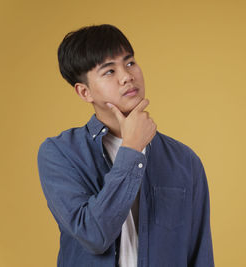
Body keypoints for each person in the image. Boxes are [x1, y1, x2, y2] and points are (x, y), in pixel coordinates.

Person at [37, 24, 214, 267]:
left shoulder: (184, 160)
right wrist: (131, 149)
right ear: (84, 92)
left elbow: (199, 254)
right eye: (109, 71)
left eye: (130, 63)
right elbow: (94, 236)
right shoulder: (60, 154)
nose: (127, 76)